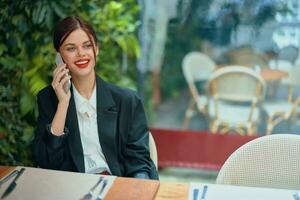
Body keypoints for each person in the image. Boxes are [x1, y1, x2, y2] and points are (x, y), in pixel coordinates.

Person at [32, 16, 158, 180]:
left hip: (117, 185)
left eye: (87, 46)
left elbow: (138, 161)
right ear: (59, 56)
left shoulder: (127, 101)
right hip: (72, 188)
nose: (81, 54)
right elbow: (47, 163)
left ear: (96, 49)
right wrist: (63, 103)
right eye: (71, 48)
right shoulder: (48, 99)